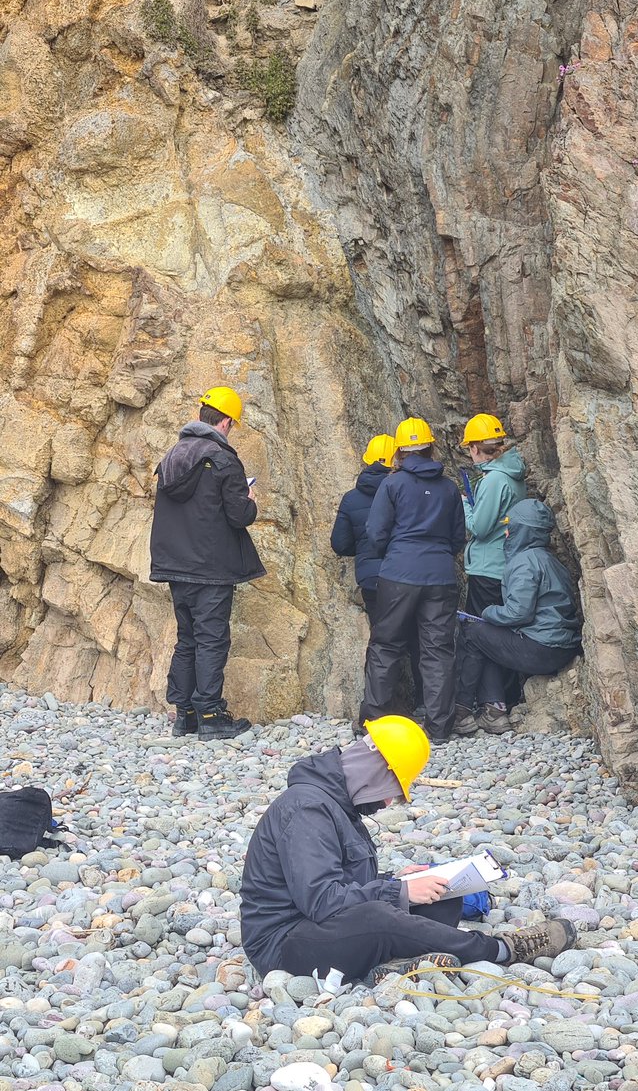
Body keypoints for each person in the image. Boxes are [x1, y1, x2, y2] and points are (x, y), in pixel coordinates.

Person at [240, 715, 577, 982]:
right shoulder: (307, 809)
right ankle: (501, 949)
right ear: (375, 772)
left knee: (442, 897)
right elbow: (321, 900)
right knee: (379, 917)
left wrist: (397, 881)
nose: (388, 803)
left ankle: (396, 965)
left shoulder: (335, 805)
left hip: (319, 926)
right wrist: (398, 892)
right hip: (285, 945)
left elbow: (338, 881)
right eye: (393, 790)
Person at [150, 385, 265, 741]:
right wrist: (250, 499)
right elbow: (239, 515)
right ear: (226, 422)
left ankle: (184, 714)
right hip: (211, 568)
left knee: (187, 638)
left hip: (176, 565)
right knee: (212, 639)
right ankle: (212, 714)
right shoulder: (222, 458)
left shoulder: (172, 457)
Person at [358, 418, 465, 744]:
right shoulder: (449, 488)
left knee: (386, 645)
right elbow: (458, 537)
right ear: (431, 447)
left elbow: (375, 532)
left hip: (399, 574)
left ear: (400, 451)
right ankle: (438, 728)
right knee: (438, 650)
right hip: (440, 575)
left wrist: (394, 554)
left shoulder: (392, 485)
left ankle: (373, 722)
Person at [455, 499, 582, 733]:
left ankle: (464, 712)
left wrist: (487, 612)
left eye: (509, 526)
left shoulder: (524, 562)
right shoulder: (550, 560)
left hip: (541, 650)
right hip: (563, 647)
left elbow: (518, 613)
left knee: (474, 633)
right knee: (488, 637)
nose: (506, 532)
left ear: (521, 530)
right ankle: (494, 708)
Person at [330, 435, 423, 719]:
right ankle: (423, 704)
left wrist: (364, 549)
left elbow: (339, 544)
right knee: (418, 640)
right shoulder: (407, 489)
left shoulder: (351, 498)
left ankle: (380, 708)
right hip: (407, 575)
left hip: (372, 581)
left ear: (368, 460)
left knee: (383, 643)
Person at [455, 414, 527, 736]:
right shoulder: (513, 475)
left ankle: (492, 708)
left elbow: (480, 527)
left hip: (487, 568)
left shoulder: (495, 480)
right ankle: (503, 701)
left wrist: (465, 505)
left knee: (480, 636)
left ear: (474, 448)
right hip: (506, 566)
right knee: (499, 634)